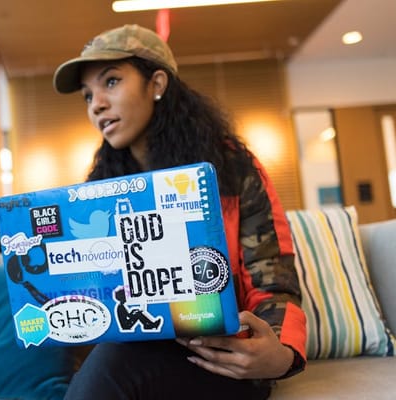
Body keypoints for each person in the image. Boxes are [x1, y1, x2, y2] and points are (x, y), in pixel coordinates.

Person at [52, 24, 306, 399]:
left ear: (156, 84)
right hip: (134, 355)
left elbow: (273, 279)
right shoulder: (99, 195)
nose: (96, 104)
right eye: (87, 95)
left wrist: (281, 355)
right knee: (115, 357)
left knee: (115, 363)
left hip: (221, 359)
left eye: (111, 82)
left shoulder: (231, 169)